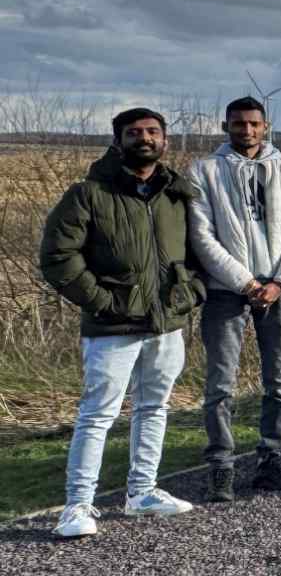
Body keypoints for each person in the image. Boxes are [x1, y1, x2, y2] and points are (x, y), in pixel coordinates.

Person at [42, 108, 205, 538]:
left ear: (165, 140)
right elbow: (58, 257)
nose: (145, 139)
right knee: (98, 415)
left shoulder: (177, 193)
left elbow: (197, 253)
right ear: (118, 141)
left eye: (153, 132)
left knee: (154, 408)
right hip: (112, 328)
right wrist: (102, 301)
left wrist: (190, 295)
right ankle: (77, 507)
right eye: (134, 133)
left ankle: (142, 492)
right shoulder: (88, 193)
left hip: (167, 323)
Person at [186, 96, 281, 500]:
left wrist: (279, 283)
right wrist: (245, 283)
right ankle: (221, 465)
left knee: (279, 381)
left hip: (279, 289)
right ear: (227, 126)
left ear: (266, 125)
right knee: (221, 383)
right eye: (239, 124)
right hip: (226, 291)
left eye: (254, 123)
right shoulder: (204, 171)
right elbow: (201, 237)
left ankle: (270, 458)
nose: (247, 130)